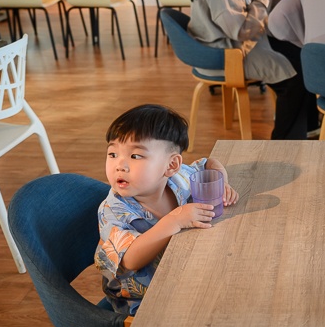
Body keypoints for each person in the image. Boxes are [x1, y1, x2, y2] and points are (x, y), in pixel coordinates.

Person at [96, 104, 239, 315]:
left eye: (135, 156)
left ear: (171, 166)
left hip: (182, 272)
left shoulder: (178, 177)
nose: (120, 165)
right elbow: (130, 259)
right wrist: (175, 220)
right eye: (113, 154)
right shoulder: (113, 210)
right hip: (143, 301)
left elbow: (209, 163)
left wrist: (222, 184)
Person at [189, 0, 309, 139]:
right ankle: (286, 145)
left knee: (303, 55)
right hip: (229, 52)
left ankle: (306, 130)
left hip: (237, 43)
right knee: (297, 78)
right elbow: (242, 31)